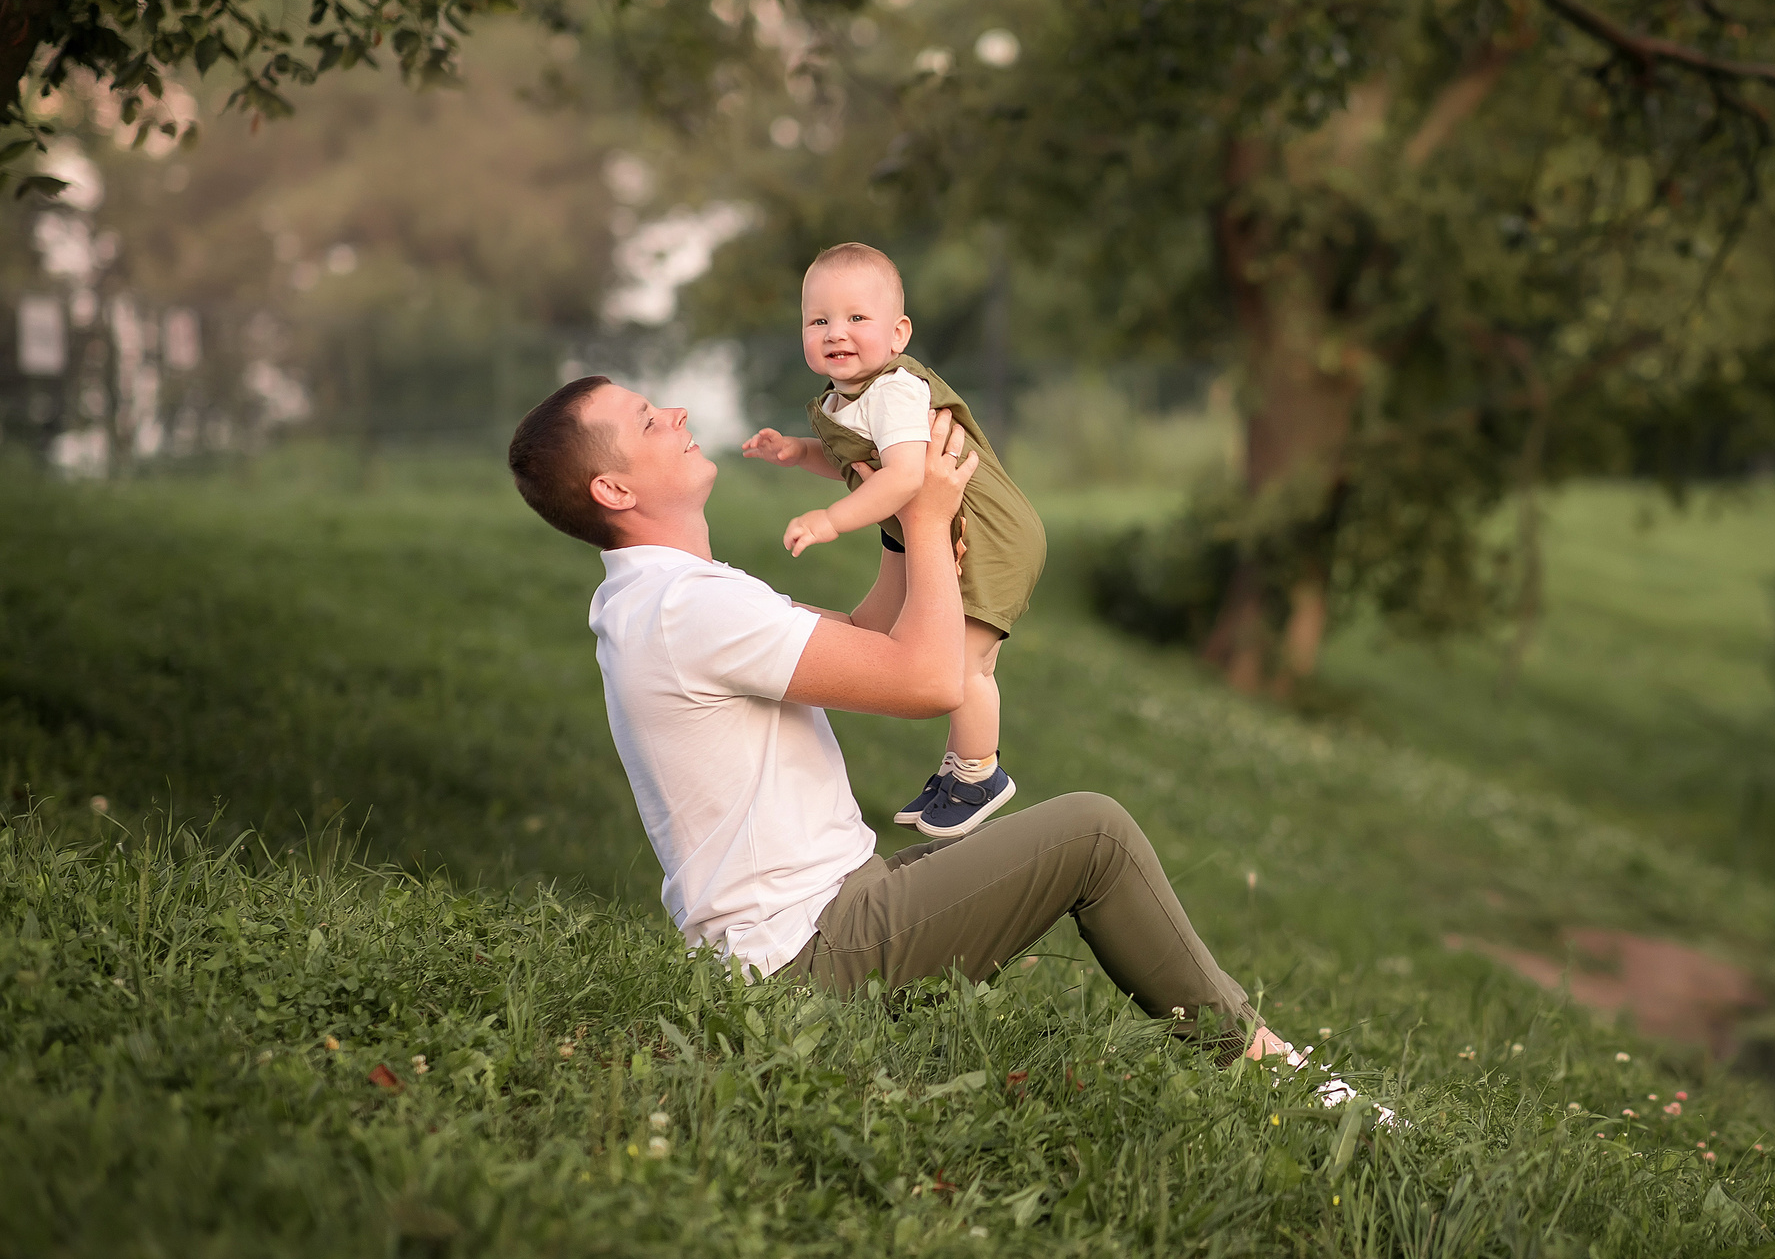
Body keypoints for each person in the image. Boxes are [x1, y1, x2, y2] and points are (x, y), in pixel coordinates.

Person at [503, 373, 1294, 1065]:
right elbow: (930, 678)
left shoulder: (666, 598)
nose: (675, 413)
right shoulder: (684, 609)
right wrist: (925, 516)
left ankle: (1264, 1052)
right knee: (1095, 834)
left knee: (1068, 844)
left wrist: (894, 513)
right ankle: (1279, 1077)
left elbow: (871, 639)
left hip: (820, 926)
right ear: (614, 490)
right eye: (647, 420)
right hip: (805, 960)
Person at [738, 242, 1044, 839]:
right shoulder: (845, 400)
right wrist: (799, 453)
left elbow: (905, 475)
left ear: (899, 333)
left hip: (987, 535)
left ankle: (978, 772)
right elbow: (860, 465)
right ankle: (959, 764)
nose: (836, 332)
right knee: (890, 635)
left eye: (857, 318)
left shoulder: (896, 390)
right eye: (819, 320)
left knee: (963, 662)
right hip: (936, 528)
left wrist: (831, 521)